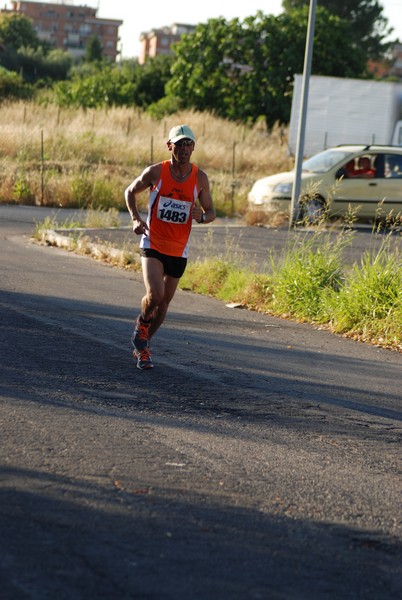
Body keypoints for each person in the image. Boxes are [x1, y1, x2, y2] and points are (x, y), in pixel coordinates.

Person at [124, 124, 216, 370]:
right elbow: (130, 191)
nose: (184, 149)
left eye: (189, 144)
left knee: (163, 307)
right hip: (153, 242)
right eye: (180, 144)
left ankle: (143, 347)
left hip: (179, 248)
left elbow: (212, 213)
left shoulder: (200, 178)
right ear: (169, 146)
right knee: (156, 295)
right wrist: (135, 218)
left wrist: (200, 216)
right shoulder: (156, 172)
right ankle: (141, 325)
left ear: (194, 147)